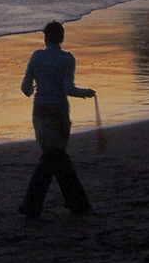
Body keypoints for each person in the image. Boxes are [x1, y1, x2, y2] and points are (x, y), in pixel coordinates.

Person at [19, 21, 95, 217]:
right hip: (58, 112)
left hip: (39, 113)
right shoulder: (67, 59)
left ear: (45, 38)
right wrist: (85, 93)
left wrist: (36, 88)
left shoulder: (36, 57)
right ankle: (39, 204)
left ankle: (73, 203)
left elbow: (25, 89)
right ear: (61, 38)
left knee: (53, 157)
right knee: (55, 157)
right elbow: (68, 89)